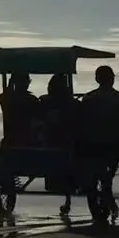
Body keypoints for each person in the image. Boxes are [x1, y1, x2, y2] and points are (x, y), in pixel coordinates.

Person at [78, 65, 119, 223]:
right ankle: (107, 202)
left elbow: (81, 122)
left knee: (92, 178)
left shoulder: (88, 98)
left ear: (97, 79)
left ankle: (98, 208)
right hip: (113, 145)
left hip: (91, 144)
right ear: (111, 78)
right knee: (107, 178)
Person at [39, 73, 79, 215]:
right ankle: (69, 196)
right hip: (64, 143)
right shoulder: (72, 104)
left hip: (45, 141)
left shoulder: (43, 101)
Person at [0, 72, 40, 148]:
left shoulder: (32, 100)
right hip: (25, 139)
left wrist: (11, 83)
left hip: (14, 140)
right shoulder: (32, 100)